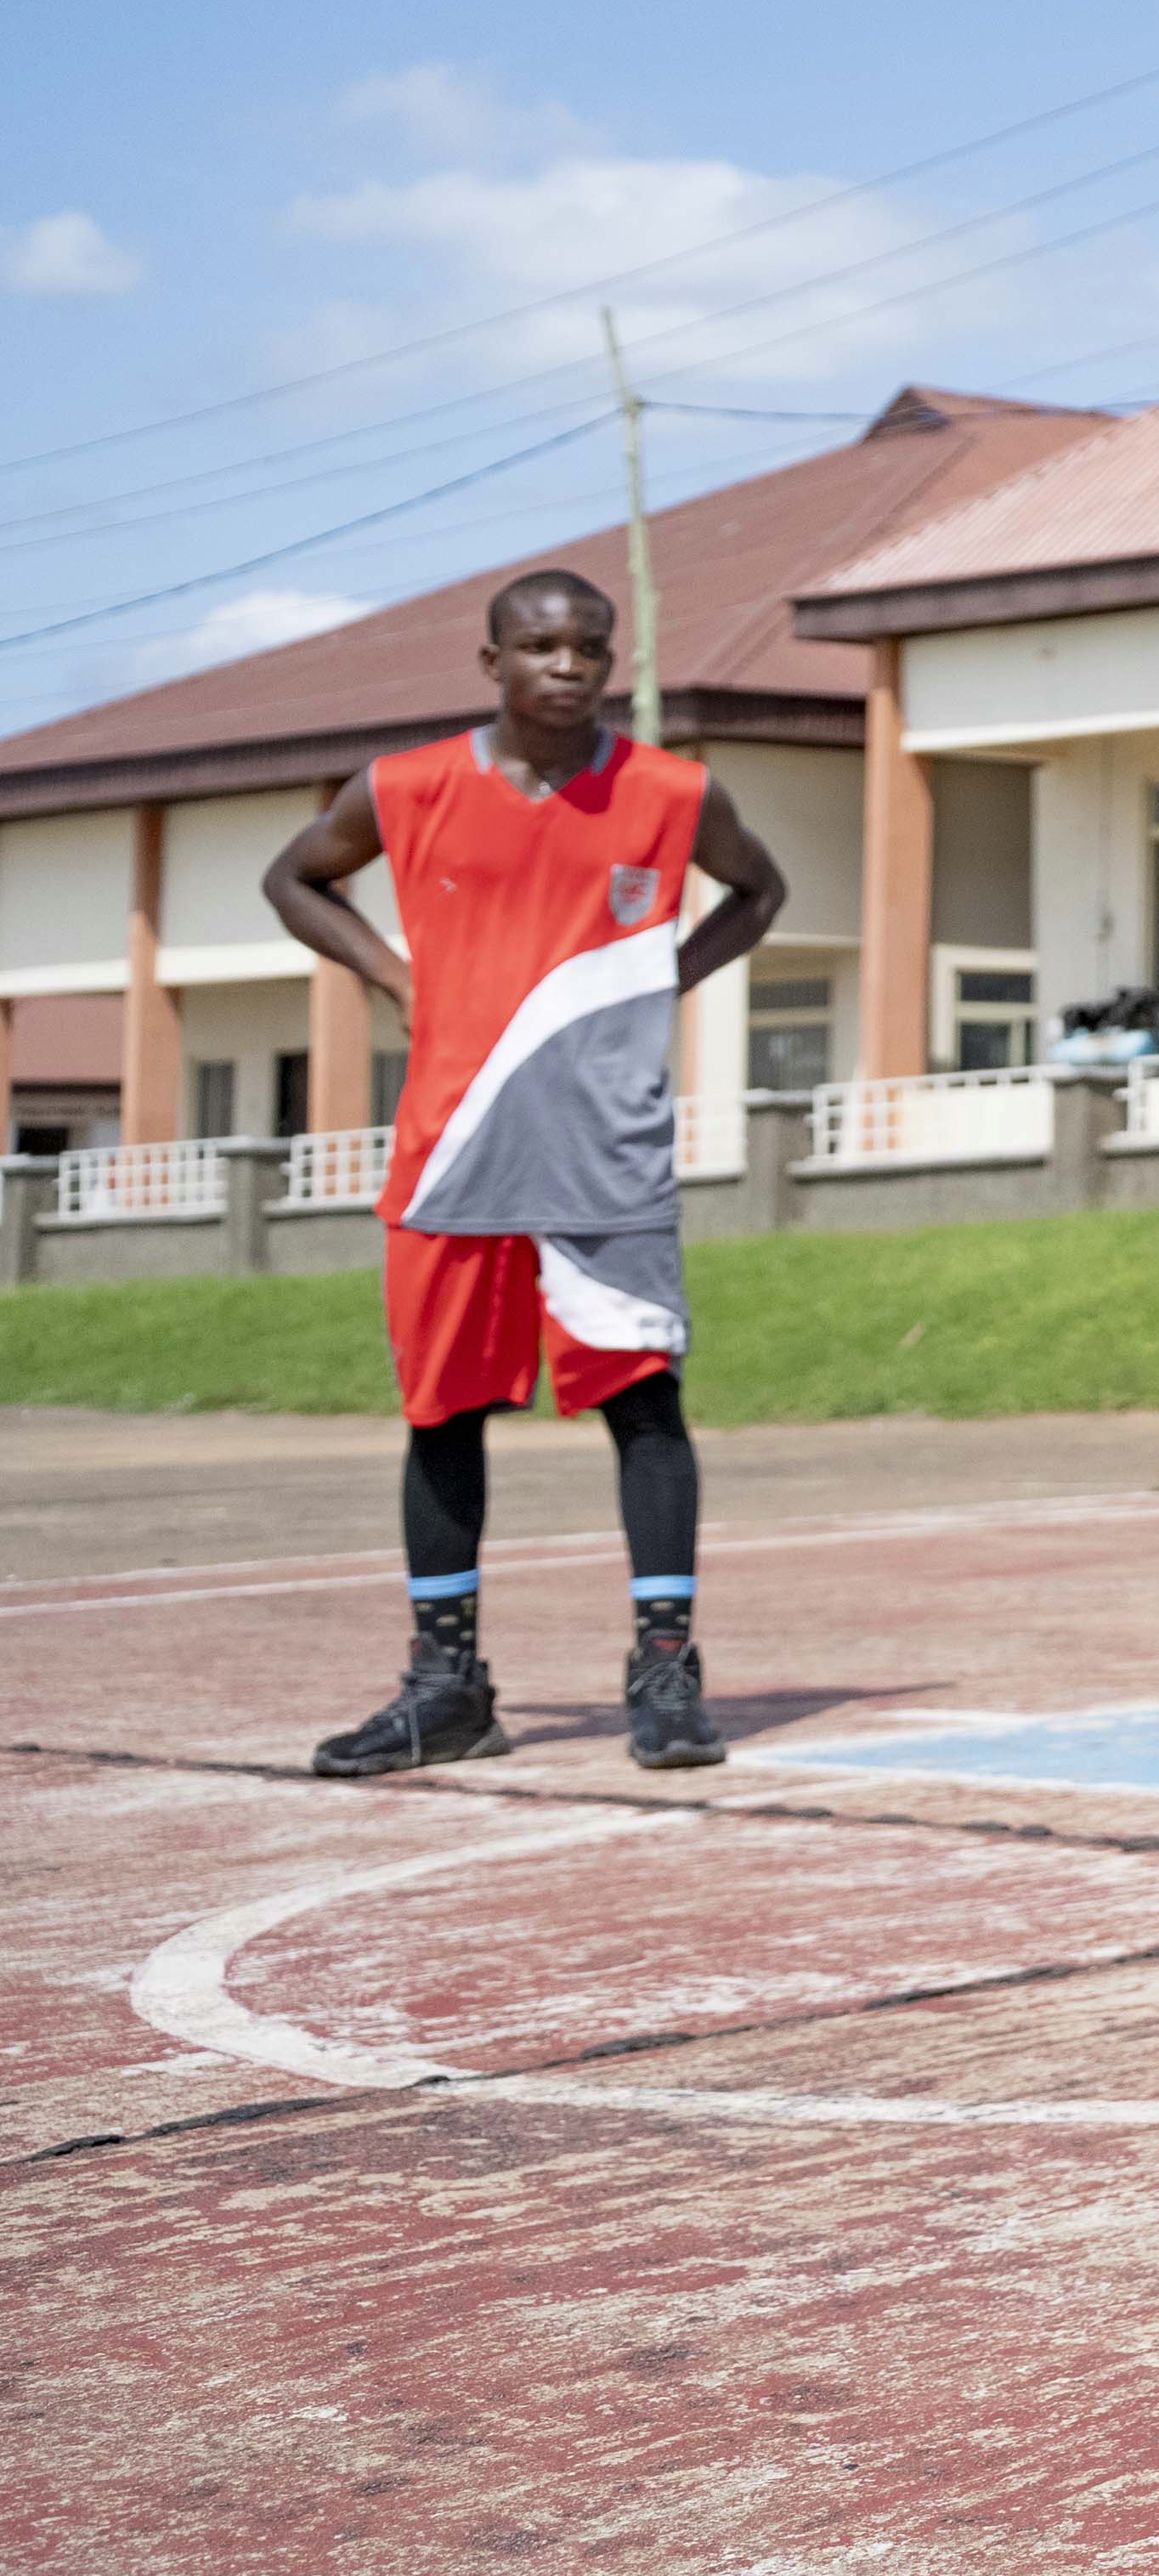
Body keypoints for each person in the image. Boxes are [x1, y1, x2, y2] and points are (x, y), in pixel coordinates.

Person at [263, 569, 788, 1778]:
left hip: (605, 1156)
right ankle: (448, 1688)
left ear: (612, 662)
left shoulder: (670, 792)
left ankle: (665, 1672)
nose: (567, 666)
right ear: (490, 660)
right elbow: (294, 878)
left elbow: (760, 893)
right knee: (442, 1412)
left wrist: (667, 980)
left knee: (643, 1405)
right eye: (541, 646)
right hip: (453, 1150)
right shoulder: (405, 786)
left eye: (589, 649)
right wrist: (395, 978)